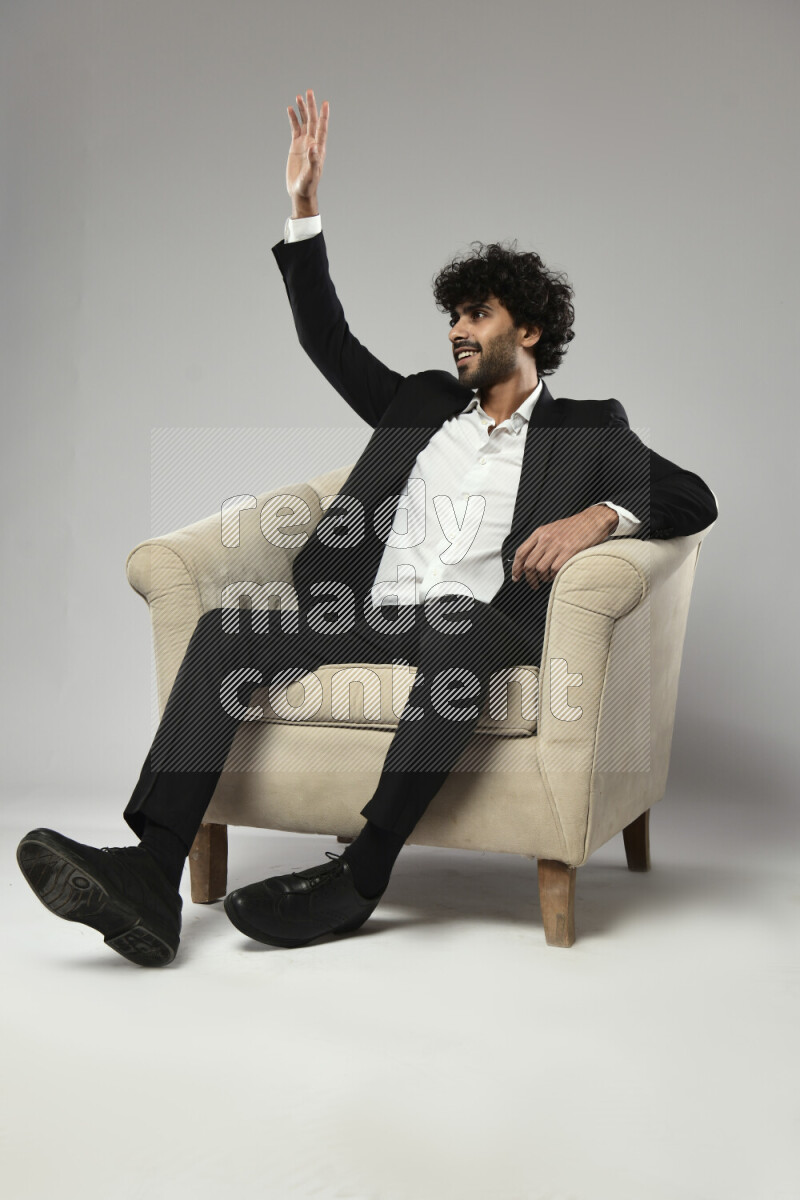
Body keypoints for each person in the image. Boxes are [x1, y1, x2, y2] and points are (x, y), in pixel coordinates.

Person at [16, 88, 718, 967]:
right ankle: (153, 877)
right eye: (454, 317)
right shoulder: (421, 401)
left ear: (529, 329)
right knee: (227, 630)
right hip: (364, 610)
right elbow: (328, 340)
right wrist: (304, 213)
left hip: (469, 625)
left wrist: (595, 517)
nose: (459, 330)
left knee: (459, 627)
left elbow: (693, 497)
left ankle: (360, 875)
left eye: (479, 315)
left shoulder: (587, 429)